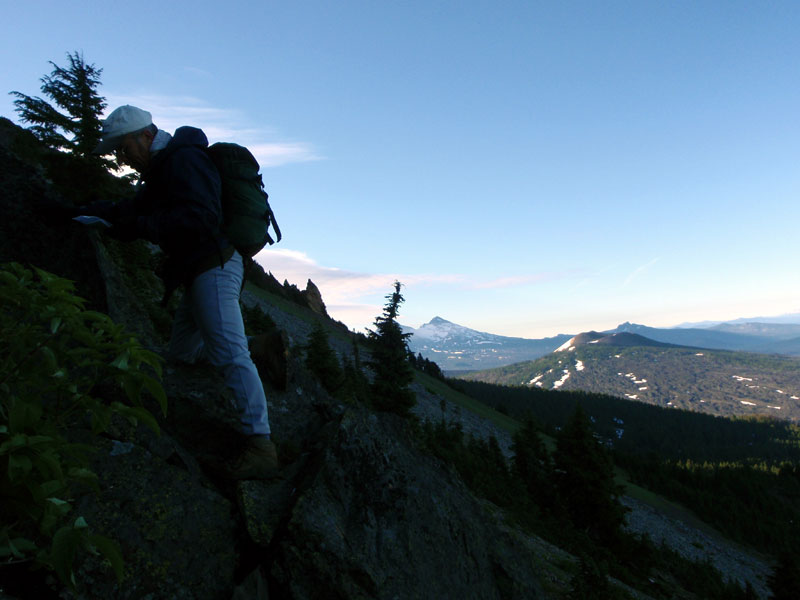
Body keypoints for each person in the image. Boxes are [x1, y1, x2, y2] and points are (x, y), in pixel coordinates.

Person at [91, 105, 277, 479]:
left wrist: (142, 226)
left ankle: (261, 447)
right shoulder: (163, 169)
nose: (121, 157)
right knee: (182, 352)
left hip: (215, 267)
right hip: (200, 269)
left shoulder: (184, 161)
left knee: (229, 356)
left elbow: (199, 218)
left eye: (124, 147)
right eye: (117, 151)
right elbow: (134, 208)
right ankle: (262, 345)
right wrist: (94, 212)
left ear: (146, 136)